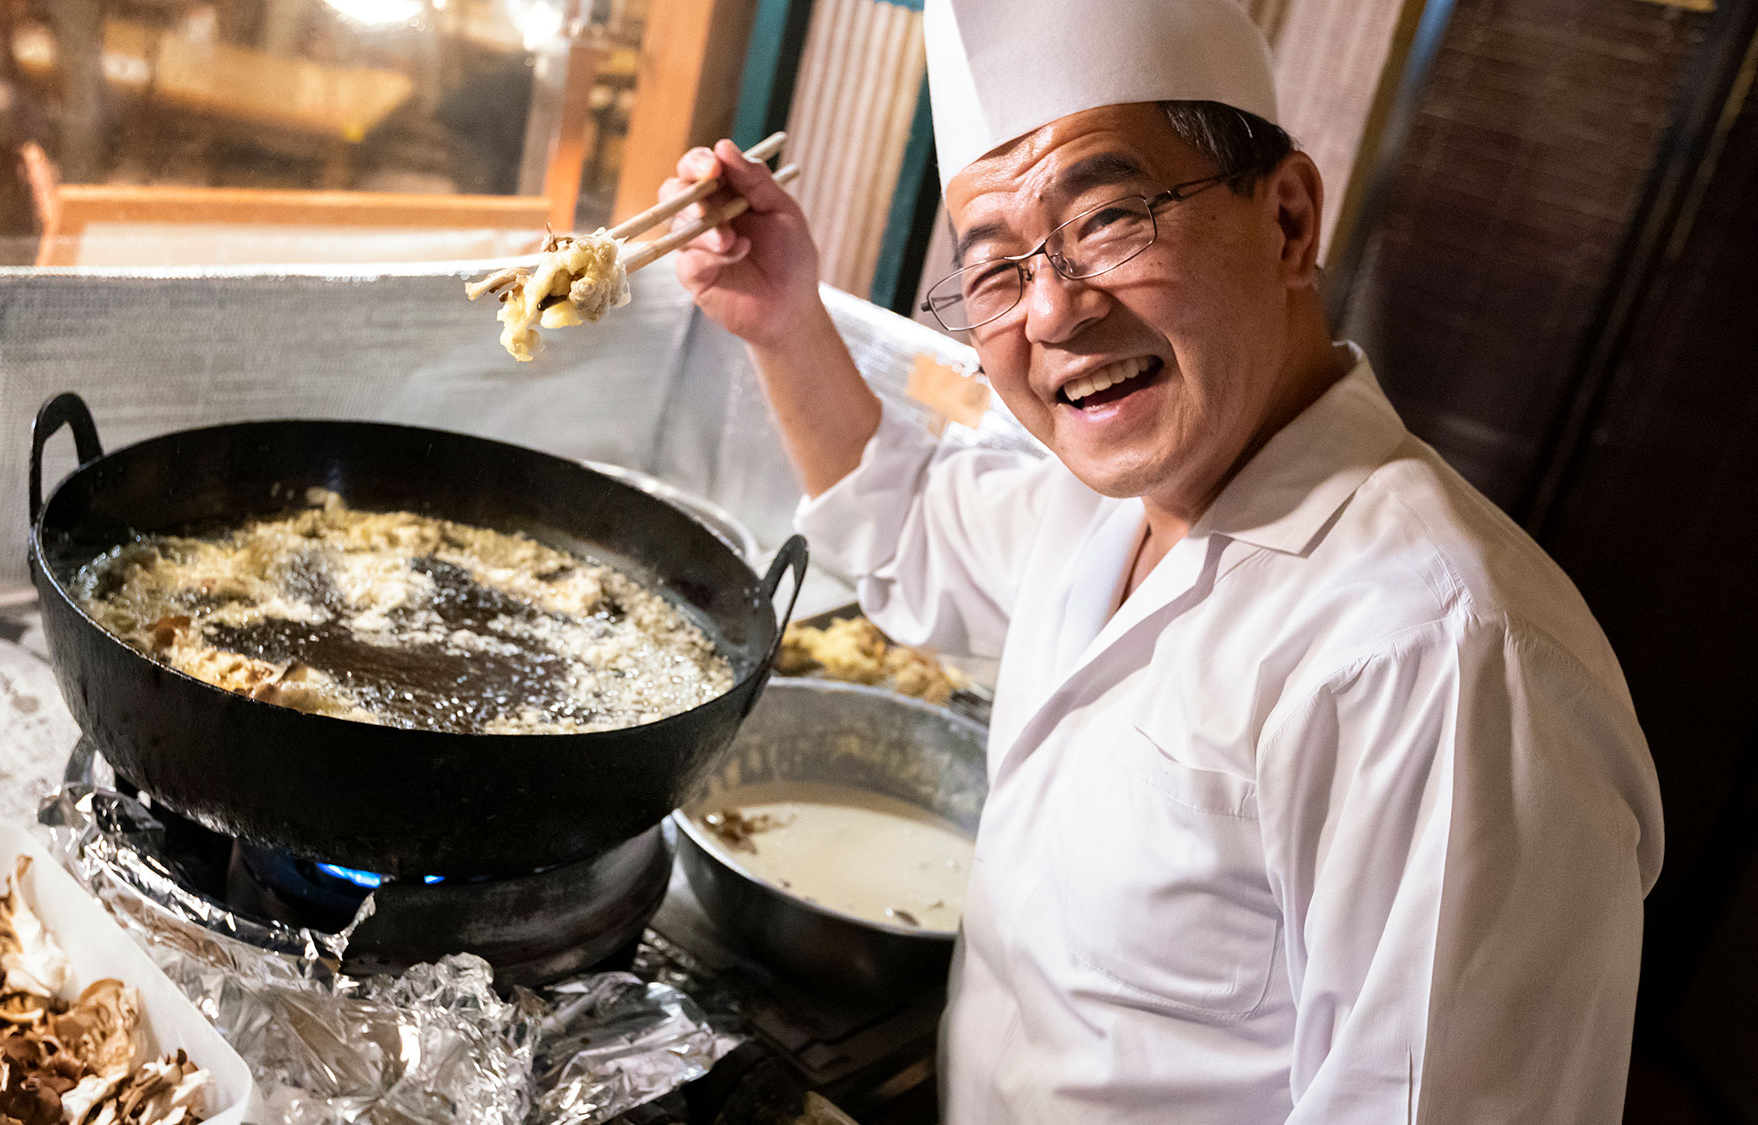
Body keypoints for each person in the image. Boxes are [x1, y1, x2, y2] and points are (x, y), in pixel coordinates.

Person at [659, 0, 1664, 1120]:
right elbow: (910, 533)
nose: (1052, 311)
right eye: (993, 272)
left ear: (1285, 220)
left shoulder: (1441, 660)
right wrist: (784, 320)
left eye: (1108, 220)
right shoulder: (1107, 504)